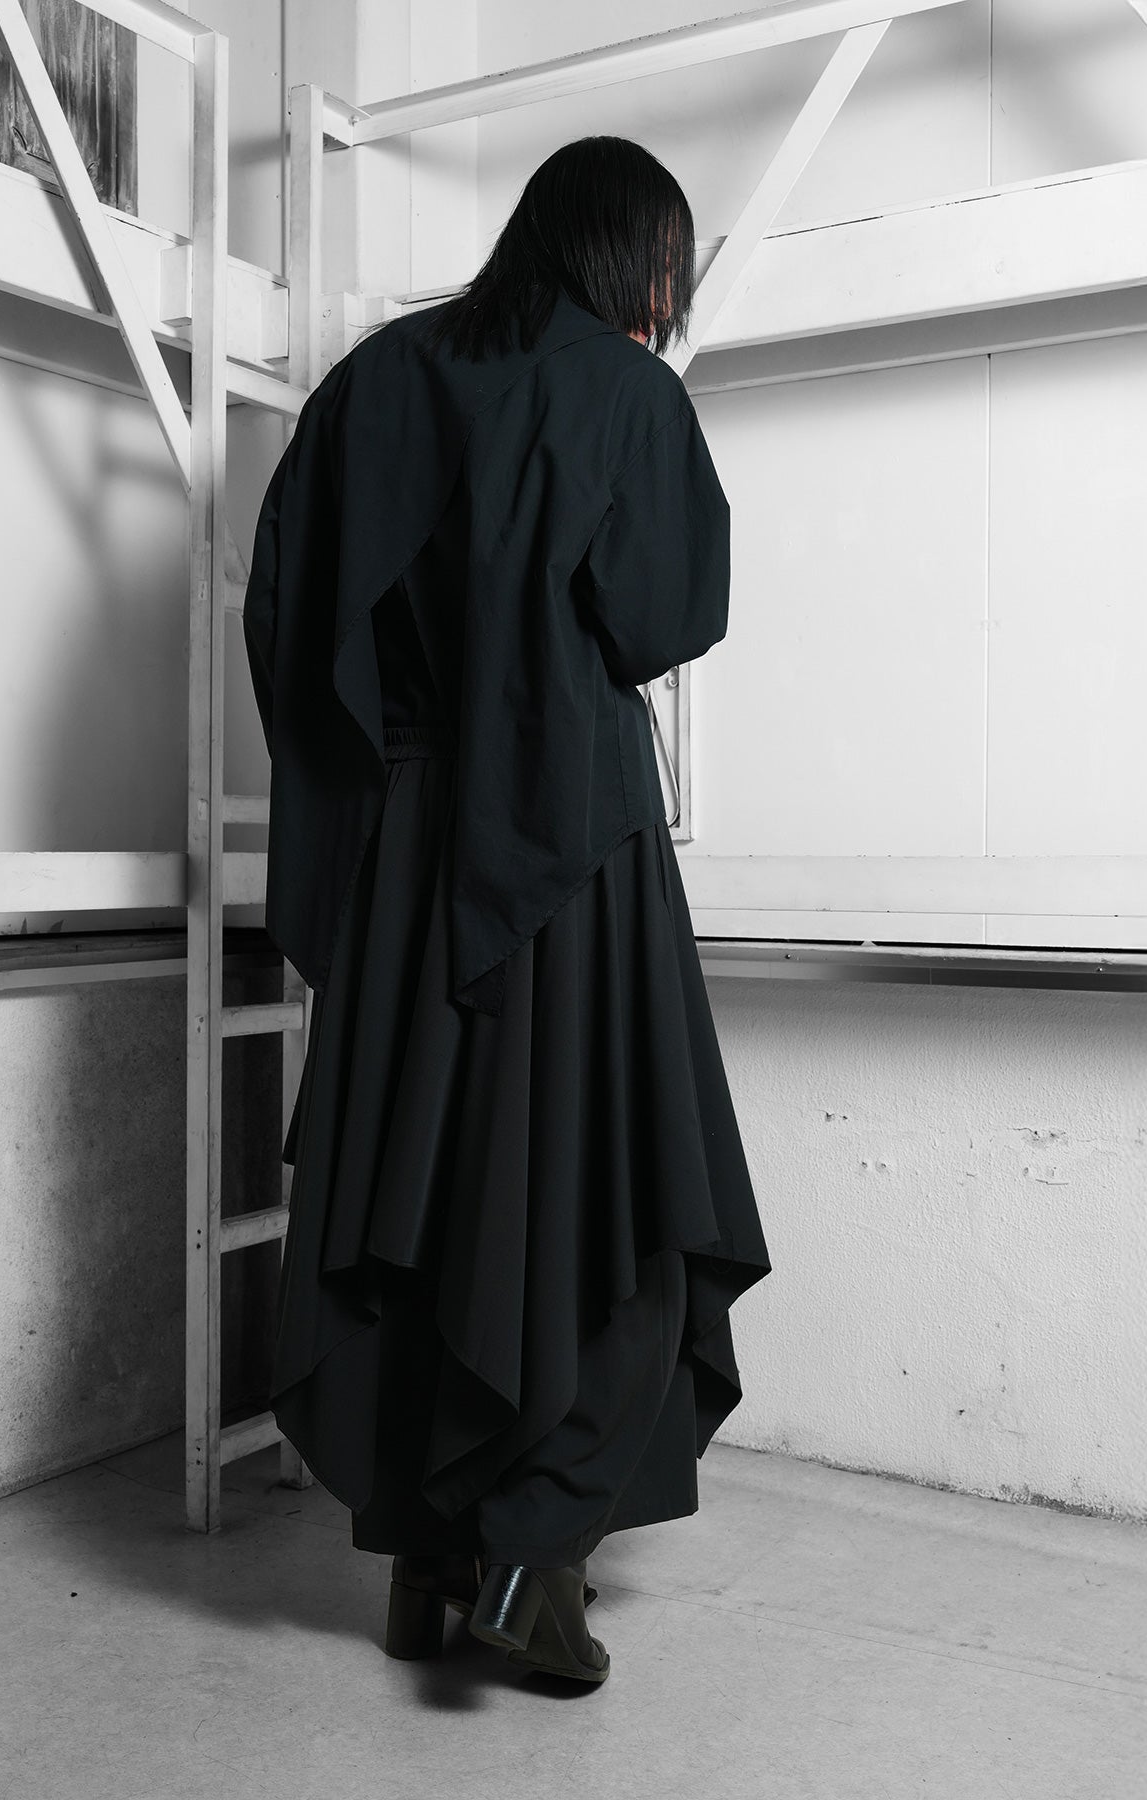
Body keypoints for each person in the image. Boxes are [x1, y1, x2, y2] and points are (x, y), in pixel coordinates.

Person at [241, 134, 771, 1687]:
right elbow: (667, 615)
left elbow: (287, 615)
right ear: (634, 253)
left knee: (426, 1192)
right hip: (573, 849)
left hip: (410, 857)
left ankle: (426, 1567)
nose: (668, 295)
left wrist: (389, 778)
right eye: (667, 262)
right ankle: (535, 1557)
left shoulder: (371, 384)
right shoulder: (627, 394)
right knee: (622, 1198)